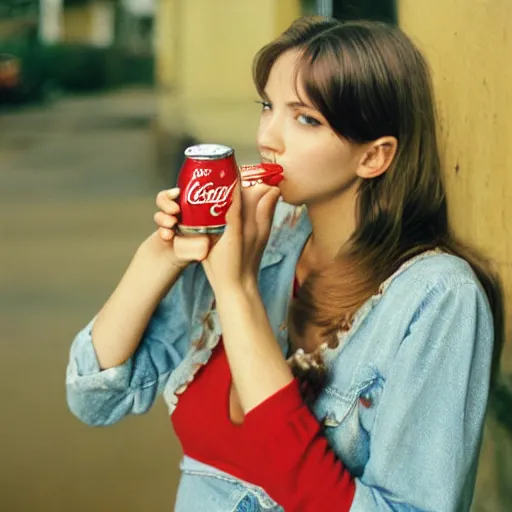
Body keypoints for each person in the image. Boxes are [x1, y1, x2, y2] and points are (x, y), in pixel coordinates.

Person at [66, 16, 504, 512]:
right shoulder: (264, 243)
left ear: (374, 157)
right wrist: (159, 257)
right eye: (267, 107)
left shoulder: (437, 298)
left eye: (305, 119)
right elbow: (95, 399)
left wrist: (237, 294)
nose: (269, 138)